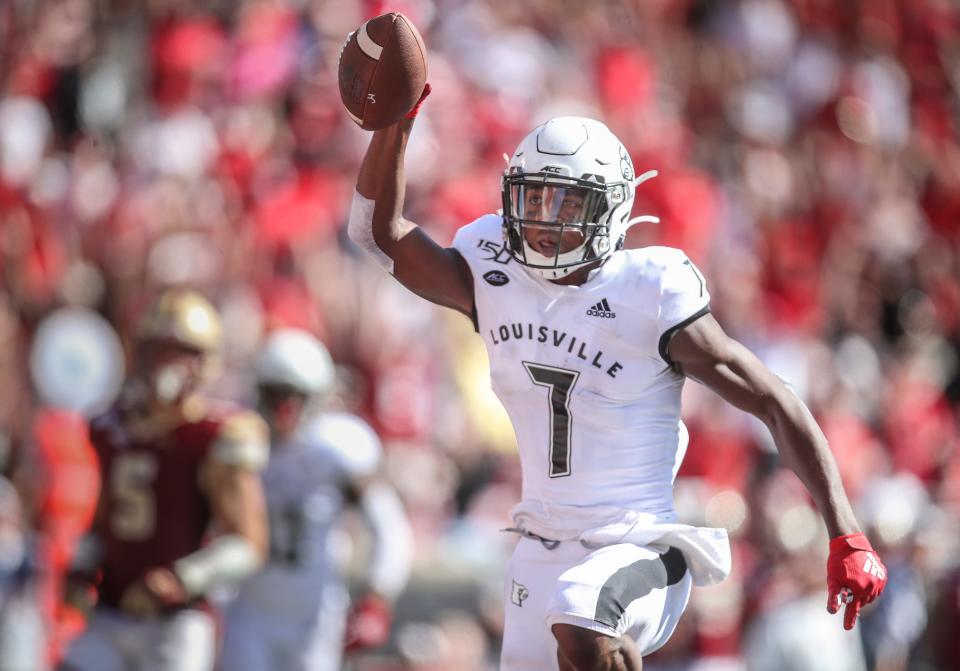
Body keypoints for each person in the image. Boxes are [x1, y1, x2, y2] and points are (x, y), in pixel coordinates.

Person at [346, 90, 888, 670]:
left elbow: (773, 400)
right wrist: (396, 125)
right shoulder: (492, 268)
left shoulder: (648, 292)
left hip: (638, 545)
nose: (546, 220)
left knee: (582, 615)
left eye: (567, 204)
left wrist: (845, 531)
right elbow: (378, 235)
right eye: (535, 197)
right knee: (567, 617)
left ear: (611, 210)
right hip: (538, 548)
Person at [59, 289, 269, 671]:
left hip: (177, 620)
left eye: (181, 351)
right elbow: (103, 520)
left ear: (205, 361)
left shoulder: (217, 435)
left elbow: (250, 543)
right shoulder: (111, 426)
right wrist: (82, 566)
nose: (166, 364)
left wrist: (184, 577)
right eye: (159, 349)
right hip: (112, 608)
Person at [220, 328, 413, 671]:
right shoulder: (237, 437)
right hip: (248, 609)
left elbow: (388, 527)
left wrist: (377, 598)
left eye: (295, 398)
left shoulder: (339, 448)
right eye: (276, 395)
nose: (285, 412)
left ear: (319, 397)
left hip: (315, 614)